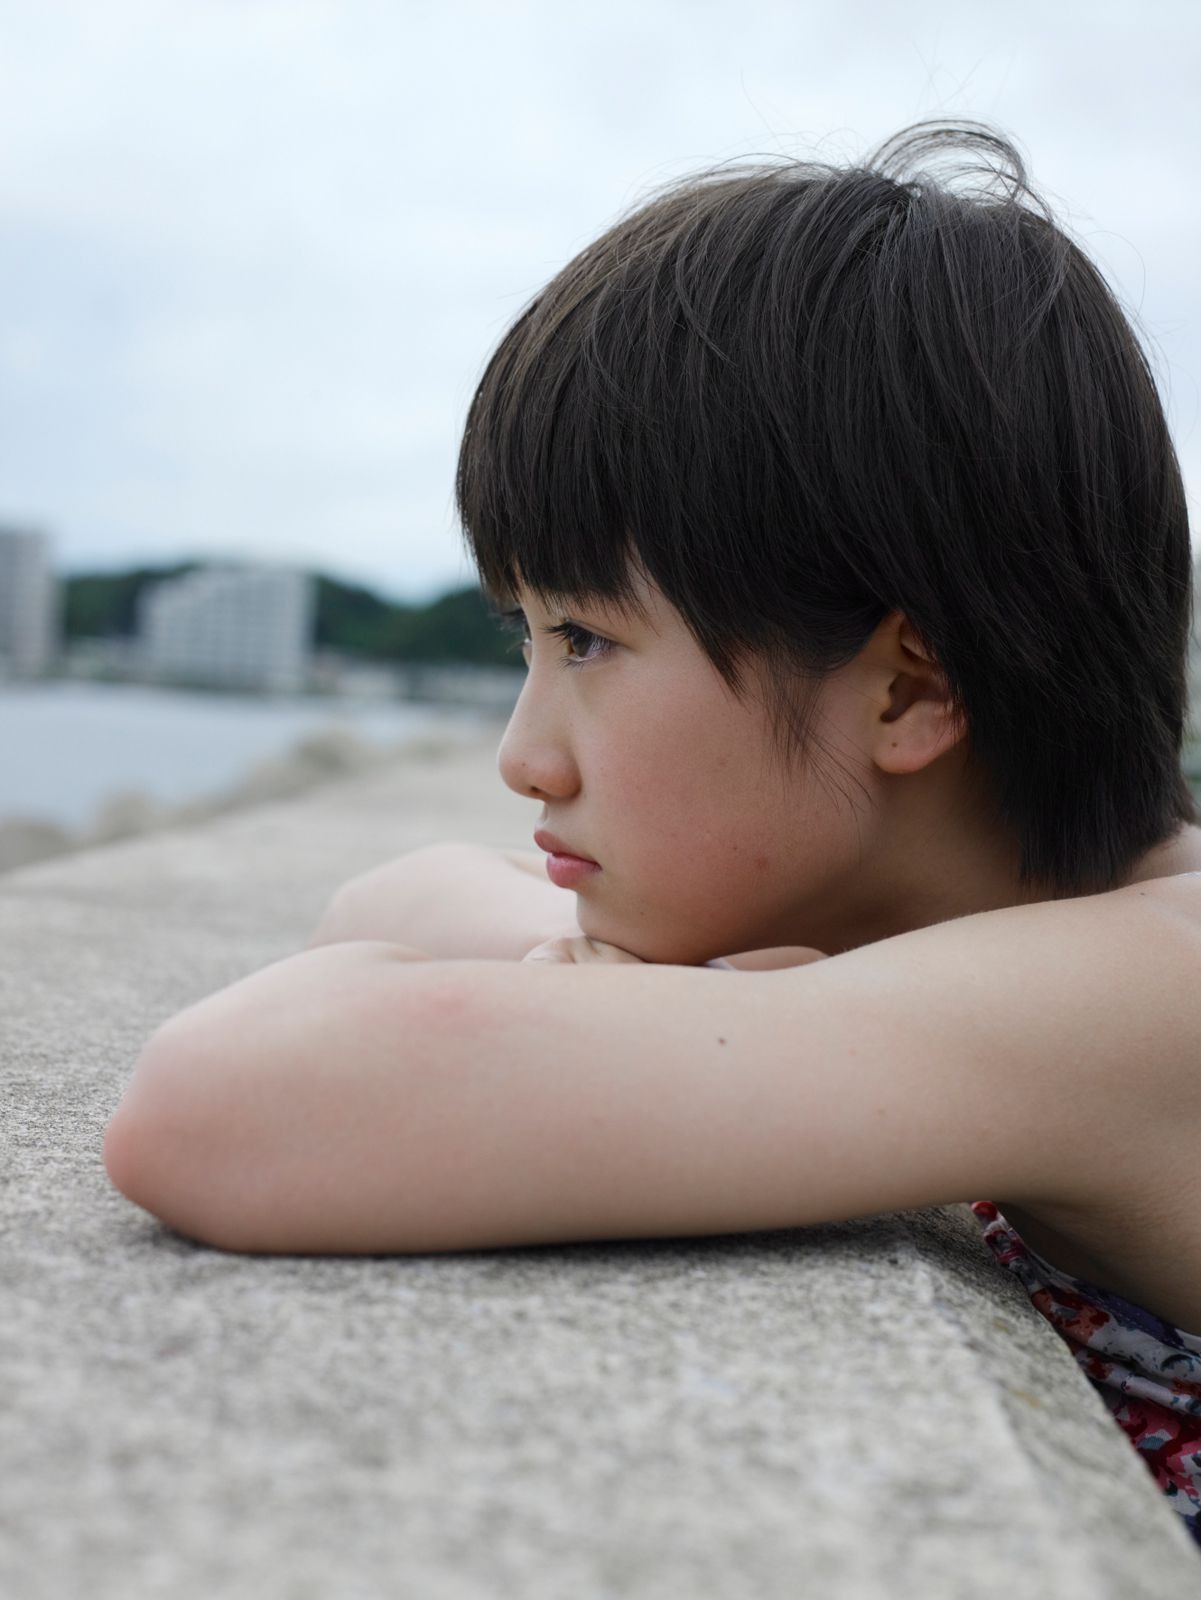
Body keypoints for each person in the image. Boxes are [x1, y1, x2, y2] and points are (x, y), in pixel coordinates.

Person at [103, 122, 1201, 1544]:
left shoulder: (1141, 988)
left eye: (588, 641)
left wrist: (631, 999)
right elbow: (392, 894)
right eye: (525, 638)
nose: (523, 757)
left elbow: (217, 1107)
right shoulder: (975, 927)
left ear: (908, 690)